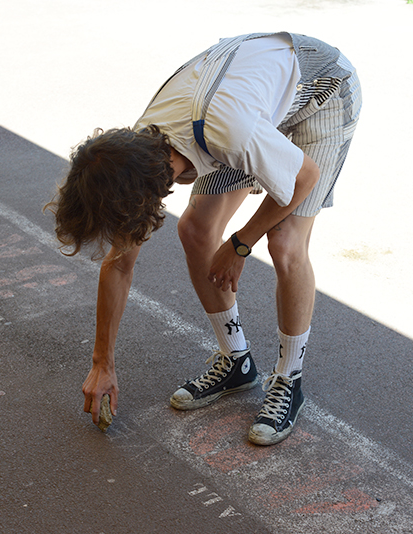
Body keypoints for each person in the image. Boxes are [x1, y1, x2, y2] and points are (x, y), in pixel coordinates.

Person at [46, 32, 362, 446]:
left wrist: (240, 244)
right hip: (246, 108)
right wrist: (102, 362)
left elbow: (304, 179)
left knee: (284, 243)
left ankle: (289, 380)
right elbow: (120, 262)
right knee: (195, 229)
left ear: (153, 186)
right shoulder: (135, 152)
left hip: (322, 89)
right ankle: (236, 362)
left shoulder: (230, 133)